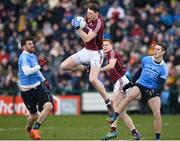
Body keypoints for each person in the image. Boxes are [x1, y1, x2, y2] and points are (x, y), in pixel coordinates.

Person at [60, 3, 113, 116]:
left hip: (96, 54)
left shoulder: (99, 23)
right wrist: (74, 21)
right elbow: (78, 22)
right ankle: (86, 68)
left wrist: (78, 28)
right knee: (63, 66)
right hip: (86, 51)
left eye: (90, 13)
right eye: (87, 12)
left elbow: (87, 38)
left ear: (96, 14)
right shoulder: (87, 18)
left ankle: (108, 102)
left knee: (93, 79)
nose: (87, 15)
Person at [107, 43, 168, 140]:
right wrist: (131, 83)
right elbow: (139, 72)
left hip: (152, 91)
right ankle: (114, 116)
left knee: (157, 112)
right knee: (129, 97)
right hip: (141, 86)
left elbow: (160, 85)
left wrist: (152, 91)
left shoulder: (164, 68)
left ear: (163, 52)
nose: (155, 51)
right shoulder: (146, 59)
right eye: (155, 49)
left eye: (158, 49)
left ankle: (157, 138)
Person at [101, 39, 140, 140]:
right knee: (122, 113)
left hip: (121, 81)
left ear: (111, 46)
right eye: (103, 45)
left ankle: (113, 131)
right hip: (121, 81)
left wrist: (97, 69)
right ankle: (135, 133)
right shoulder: (109, 54)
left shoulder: (112, 53)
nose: (104, 47)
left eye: (107, 45)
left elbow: (111, 66)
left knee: (113, 105)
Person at [18, 37, 53, 140]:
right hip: (27, 91)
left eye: (32, 43)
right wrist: (39, 65)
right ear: (24, 47)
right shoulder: (23, 57)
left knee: (49, 106)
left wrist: (44, 80)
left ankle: (36, 129)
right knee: (33, 116)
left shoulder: (33, 56)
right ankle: (29, 127)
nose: (32, 45)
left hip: (37, 87)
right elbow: (27, 72)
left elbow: (37, 71)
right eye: (29, 44)